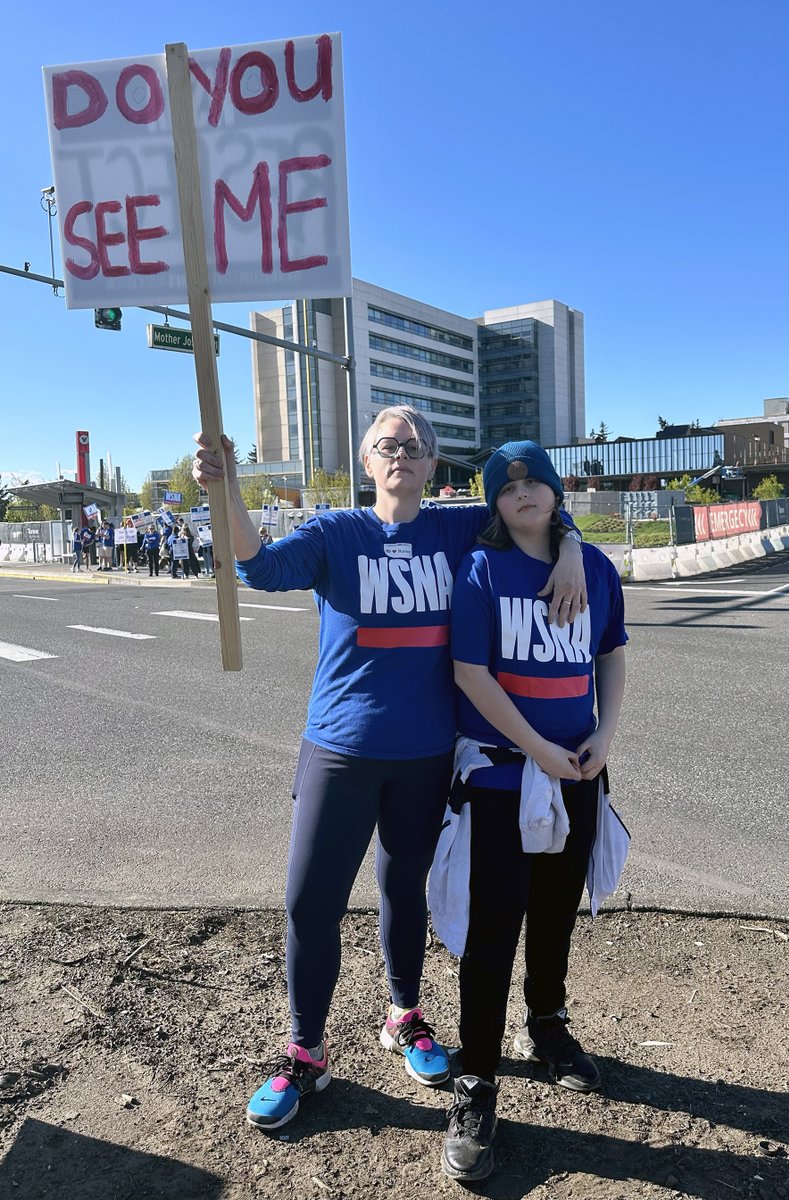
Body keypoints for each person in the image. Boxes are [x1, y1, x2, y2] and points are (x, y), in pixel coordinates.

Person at [191, 405, 587, 1133]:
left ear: (432, 466)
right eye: (385, 443)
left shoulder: (454, 528)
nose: (399, 452)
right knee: (310, 901)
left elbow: (529, 508)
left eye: (412, 445)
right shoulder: (338, 533)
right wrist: (230, 490)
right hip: (339, 750)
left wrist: (568, 544)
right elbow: (259, 566)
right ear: (366, 462)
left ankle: (404, 1016)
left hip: (426, 754)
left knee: (404, 890)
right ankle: (305, 1051)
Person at [437, 441, 627, 1184]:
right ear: (493, 503)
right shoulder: (481, 570)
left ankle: (545, 1023)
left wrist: (604, 736)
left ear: (553, 491)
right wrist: (536, 749)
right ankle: (476, 1079)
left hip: (578, 769)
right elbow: (469, 673)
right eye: (506, 488)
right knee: (492, 930)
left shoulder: (595, 568)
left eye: (534, 482)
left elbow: (609, 653)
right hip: (501, 778)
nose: (522, 494)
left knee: (554, 912)